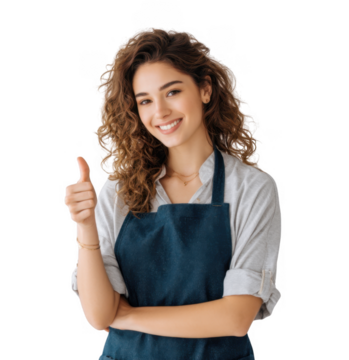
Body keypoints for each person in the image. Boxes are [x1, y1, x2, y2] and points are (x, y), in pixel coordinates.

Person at [69, 27, 281, 359]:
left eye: (172, 92)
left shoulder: (252, 189)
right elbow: (98, 316)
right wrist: (85, 229)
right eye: (145, 101)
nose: (160, 112)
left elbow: (237, 317)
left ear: (205, 90)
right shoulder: (118, 191)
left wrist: (127, 315)